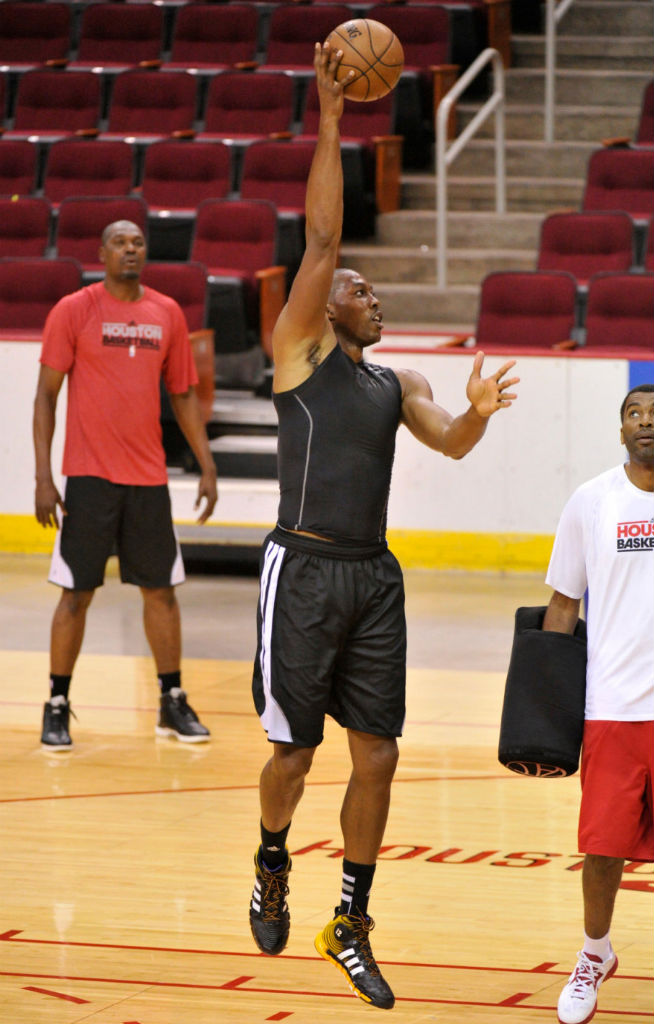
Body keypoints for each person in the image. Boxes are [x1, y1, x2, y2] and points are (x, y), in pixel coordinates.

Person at [247, 43, 520, 1010]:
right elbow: (321, 245)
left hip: (373, 577)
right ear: (332, 305)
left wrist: (480, 411)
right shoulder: (302, 354)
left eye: (371, 293)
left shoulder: (396, 382)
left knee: (380, 754)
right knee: (294, 754)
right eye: (364, 289)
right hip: (304, 570)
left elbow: (447, 441)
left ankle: (350, 920)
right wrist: (328, 119)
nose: (375, 297)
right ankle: (272, 859)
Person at [33, 220, 218, 750]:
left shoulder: (166, 313)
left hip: (147, 479)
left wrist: (206, 464)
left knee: (162, 592)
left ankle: (172, 701)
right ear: (101, 250)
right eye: (119, 241)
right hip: (88, 478)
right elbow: (45, 396)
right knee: (76, 594)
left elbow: (183, 394)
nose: (130, 249)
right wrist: (45, 476)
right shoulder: (73, 310)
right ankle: (57, 703)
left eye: (138, 242)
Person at [542, 384, 653, 1024]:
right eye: (634, 415)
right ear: (620, 433)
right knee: (602, 848)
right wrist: (551, 710)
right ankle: (594, 954)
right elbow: (564, 604)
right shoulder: (592, 501)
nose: (646, 424)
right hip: (613, 705)